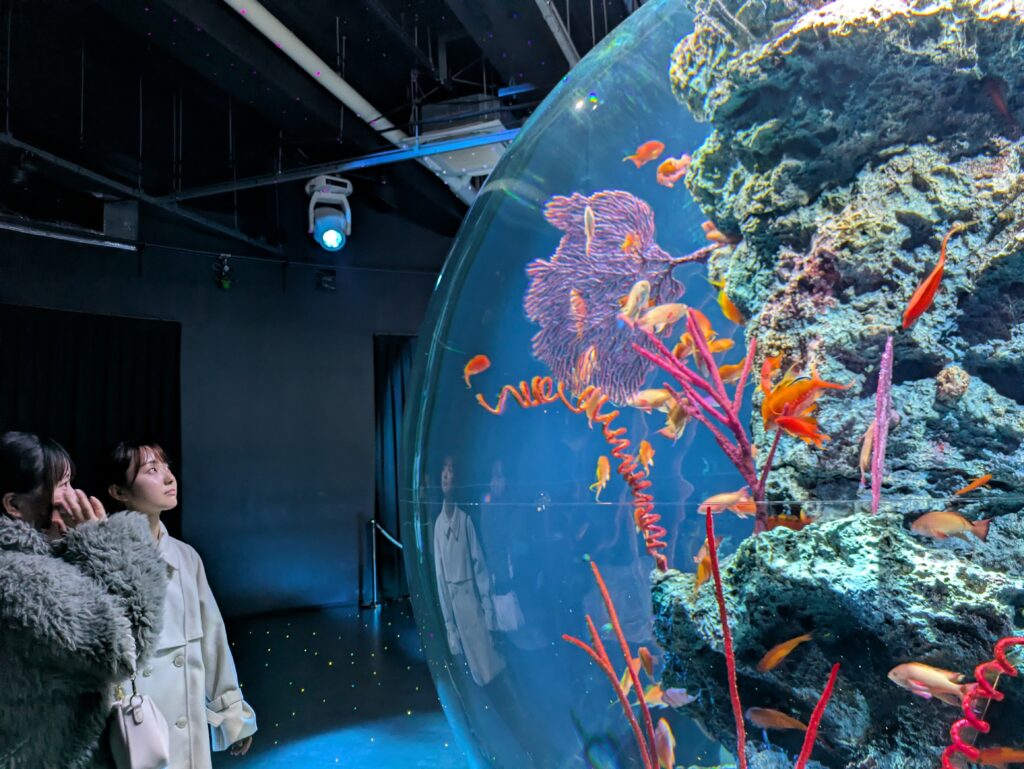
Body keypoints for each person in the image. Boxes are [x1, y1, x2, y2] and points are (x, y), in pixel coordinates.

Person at [0, 431, 167, 768]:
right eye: (61, 484)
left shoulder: (34, 564)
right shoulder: (19, 579)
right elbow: (127, 652)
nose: (74, 495)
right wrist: (108, 540)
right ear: (15, 505)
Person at [105, 440, 256, 769]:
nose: (169, 477)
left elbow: (212, 640)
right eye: (152, 470)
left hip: (187, 729)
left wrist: (232, 712)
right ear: (118, 491)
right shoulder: (104, 560)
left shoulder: (186, 557)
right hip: (134, 726)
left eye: (167, 467)